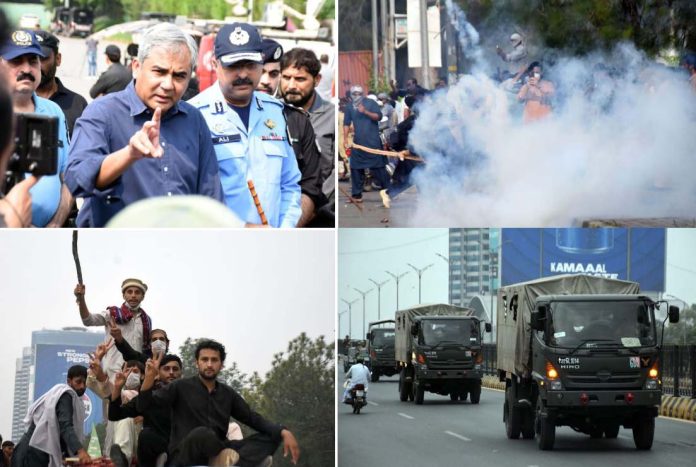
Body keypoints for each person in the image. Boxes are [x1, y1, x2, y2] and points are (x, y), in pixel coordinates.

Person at [66, 23, 223, 227]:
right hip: (113, 252)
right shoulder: (103, 113)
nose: (168, 85)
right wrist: (129, 155)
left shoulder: (194, 120)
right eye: (159, 71)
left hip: (180, 251)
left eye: (179, 76)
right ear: (136, 67)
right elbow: (76, 179)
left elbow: (211, 199)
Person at [189, 22, 301, 228]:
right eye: (233, 66)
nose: (243, 74)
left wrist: (285, 230)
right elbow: (191, 198)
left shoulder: (274, 111)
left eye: (250, 65)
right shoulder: (194, 114)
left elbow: (290, 184)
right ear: (215, 65)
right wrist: (242, 229)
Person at [137, 339, 301, 466]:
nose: (209, 364)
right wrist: (149, 379)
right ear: (197, 363)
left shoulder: (227, 394)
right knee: (202, 434)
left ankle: (234, 461)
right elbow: (144, 406)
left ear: (221, 365)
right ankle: (239, 461)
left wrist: (282, 432)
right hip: (185, 454)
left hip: (217, 450)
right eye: (205, 359)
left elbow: (252, 418)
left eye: (214, 360)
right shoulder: (180, 387)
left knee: (271, 437)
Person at [1, 29, 72, 227]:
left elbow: (69, 174)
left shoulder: (53, 111)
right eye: (16, 61)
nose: (27, 69)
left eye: (33, 61)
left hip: (49, 238)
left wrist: (56, 222)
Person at [258, 39, 323, 227]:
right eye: (260, 72)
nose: (265, 81)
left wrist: (286, 231)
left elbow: (310, 185)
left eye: (273, 74)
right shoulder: (214, 116)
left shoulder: (296, 120)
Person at [280, 47, 335, 226]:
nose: (292, 85)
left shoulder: (332, 117)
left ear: (317, 80)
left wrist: (312, 204)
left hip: (321, 214)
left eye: (300, 79)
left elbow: (336, 170)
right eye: (286, 77)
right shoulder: (271, 113)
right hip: (279, 213)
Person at [108, 354, 182, 467]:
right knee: (146, 435)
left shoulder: (189, 394)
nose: (171, 372)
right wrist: (117, 388)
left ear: (181, 373)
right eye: (166, 369)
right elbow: (115, 415)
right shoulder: (151, 396)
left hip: (183, 447)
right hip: (157, 447)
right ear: (158, 373)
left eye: (175, 369)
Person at [11, 365, 91, 466]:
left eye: (85, 383)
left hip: (37, 452)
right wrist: (80, 451)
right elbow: (65, 426)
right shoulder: (65, 395)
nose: (82, 386)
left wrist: (67, 456)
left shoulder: (74, 400)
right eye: (78, 382)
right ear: (69, 381)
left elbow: (60, 433)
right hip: (32, 452)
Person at [74, 278, 153, 379]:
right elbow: (88, 320)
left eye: (137, 292)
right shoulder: (112, 314)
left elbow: (147, 350)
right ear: (124, 295)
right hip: (113, 372)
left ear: (142, 297)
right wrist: (81, 299)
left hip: (136, 373)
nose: (133, 295)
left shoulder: (146, 320)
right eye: (129, 292)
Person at [342, 85, 391, 206]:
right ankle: (356, 195)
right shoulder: (349, 107)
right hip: (358, 143)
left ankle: (389, 192)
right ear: (351, 95)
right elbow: (346, 123)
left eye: (359, 93)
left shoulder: (371, 103)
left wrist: (365, 112)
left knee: (378, 168)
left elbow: (378, 117)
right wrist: (345, 139)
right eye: (354, 94)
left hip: (372, 142)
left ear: (363, 94)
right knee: (355, 168)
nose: (356, 96)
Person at [34, 30, 88, 138]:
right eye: (32, 59)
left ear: (58, 59)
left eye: (43, 58)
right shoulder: (12, 102)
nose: (38, 66)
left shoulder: (78, 104)